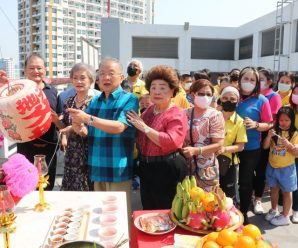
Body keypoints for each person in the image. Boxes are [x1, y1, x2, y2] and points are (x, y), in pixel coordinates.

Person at [67, 58, 138, 223]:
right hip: (97, 166)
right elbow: (88, 131)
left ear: (121, 77)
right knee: (100, 215)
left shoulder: (129, 99)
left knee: (119, 216)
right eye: (102, 74)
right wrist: (79, 128)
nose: (106, 78)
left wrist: (87, 118)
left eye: (111, 74)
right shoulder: (95, 101)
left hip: (117, 167)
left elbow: (119, 127)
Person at [126, 65, 188, 210]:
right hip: (147, 167)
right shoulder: (148, 111)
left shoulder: (177, 113)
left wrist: (145, 128)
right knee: (148, 208)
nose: (156, 92)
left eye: (162, 88)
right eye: (153, 87)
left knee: (167, 210)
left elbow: (172, 141)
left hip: (168, 167)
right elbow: (140, 135)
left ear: (172, 90)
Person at [0, 53, 63, 190]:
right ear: (25, 70)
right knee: (26, 186)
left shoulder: (53, 92)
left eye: (39, 68)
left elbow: (61, 123)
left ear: (44, 70)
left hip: (49, 147)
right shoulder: (15, 90)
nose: (36, 71)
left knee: (47, 185)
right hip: (26, 148)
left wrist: (57, 121)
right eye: (32, 68)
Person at [236, 66, 273, 224]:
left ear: (257, 83)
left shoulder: (261, 100)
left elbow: (270, 123)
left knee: (245, 182)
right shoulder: (232, 95)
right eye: (246, 78)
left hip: (250, 148)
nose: (248, 82)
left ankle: (243, 214)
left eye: (253, 80)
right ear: (240, 80)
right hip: (227, 147)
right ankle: (227, 213)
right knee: (226, 181)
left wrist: (257, 125)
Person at [57, 63, 97, 191]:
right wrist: (64, 135)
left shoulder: (95, 101)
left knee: (87, 188)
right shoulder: (69, 101)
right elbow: (66, 124)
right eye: (75, 78)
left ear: (91, 80)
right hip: (72, 151)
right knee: (71, 189)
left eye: (82, 78)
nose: (78, 81)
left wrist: (80, 130)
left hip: (89, 150)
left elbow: (96, 128)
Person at [182, 79, 225, 192]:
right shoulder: (183, 113)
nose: (205, 97)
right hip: (185, 168)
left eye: (208, 94)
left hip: (206, 170)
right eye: (201, 94)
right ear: (192, 94)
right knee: (187, 203)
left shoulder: (215, 115)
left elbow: (219, 144)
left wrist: (196, 151)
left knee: (207, 204)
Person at [253, 68, 282, 214]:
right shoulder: (251, 94)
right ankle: (250, 195)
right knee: (246, 170)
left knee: (260, 169)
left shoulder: (272, 97)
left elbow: (273, 121)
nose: (258, 82)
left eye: (261, 79)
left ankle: (258, 198)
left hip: (264, 137)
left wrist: (260, 126)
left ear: (269, 81)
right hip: (248, 136)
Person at [263, 107, 298, 226]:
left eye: (287, 120)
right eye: (281, 120)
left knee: (287, 192)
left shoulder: (295, 134)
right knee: (273, 189)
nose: (284, 123)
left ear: (292, 121)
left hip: (287, 168)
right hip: (272, 166)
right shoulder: (274, 131)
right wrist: (268, 136)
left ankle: (285, 216)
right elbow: (265, 147)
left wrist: (289, 145)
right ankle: (274, 210)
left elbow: (296, 152)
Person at [216, 86, 247, 199]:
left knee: (228, 196)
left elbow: (240, 146)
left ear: (237, 102)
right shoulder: (213, 116)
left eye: (232, 99)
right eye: (225, 98)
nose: (228, 101)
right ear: (220, 99)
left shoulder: (239, 122)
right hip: (209, 161)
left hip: (229, 164)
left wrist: (224, 149)